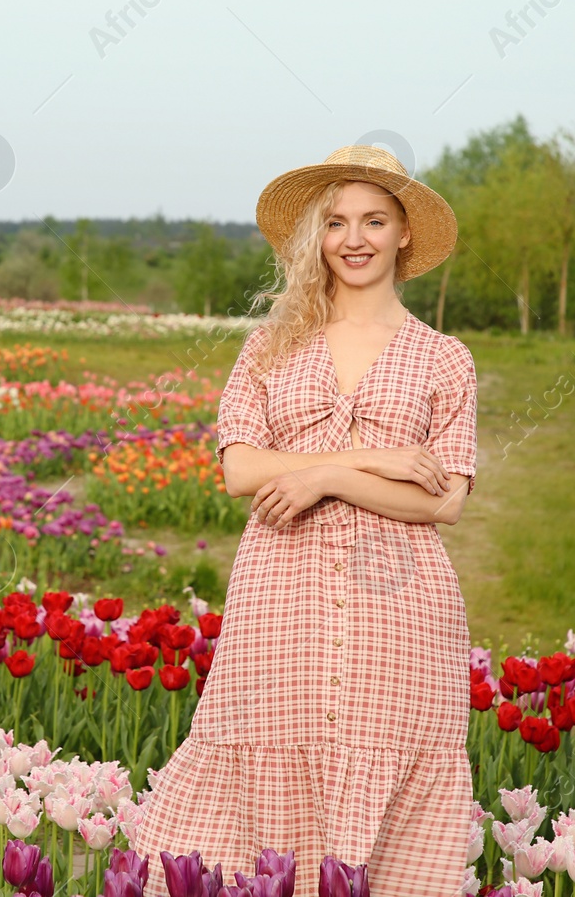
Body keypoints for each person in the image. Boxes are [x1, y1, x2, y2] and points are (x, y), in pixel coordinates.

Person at [131, 145, 478, 897]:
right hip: (278, 594)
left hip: (401, 604)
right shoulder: (271, 346)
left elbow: (445, 499)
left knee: (386, 773)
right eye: (337, 222)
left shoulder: (444, 358)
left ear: (404, 234)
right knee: (262, 766)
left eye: (374, 220)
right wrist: (377, 456)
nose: (355, 238)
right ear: (316, 237)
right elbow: (240, 470)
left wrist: (327, 472)